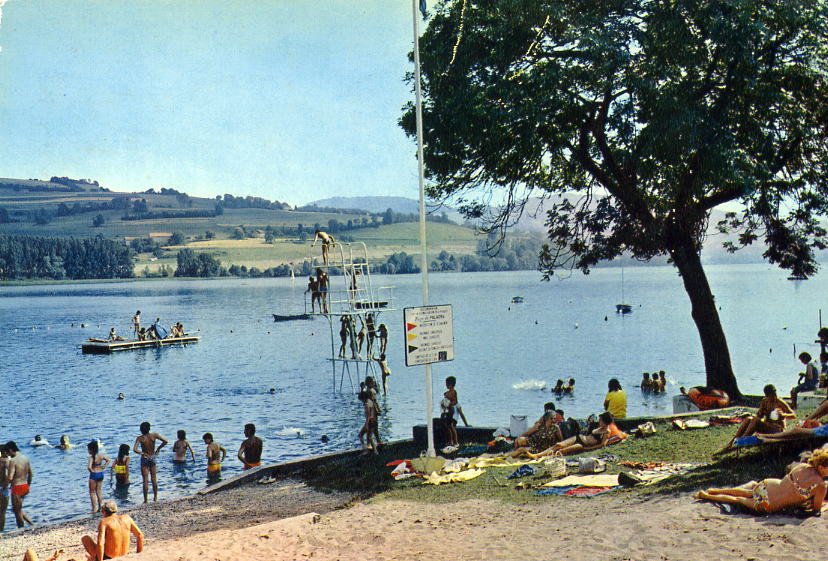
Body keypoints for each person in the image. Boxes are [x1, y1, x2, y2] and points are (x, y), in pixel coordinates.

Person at [695, 450, 828, 514]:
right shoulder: (821, 485)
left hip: (768, 485)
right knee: (737, 500)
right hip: (768, 504)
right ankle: (707, 496)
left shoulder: (802, 466)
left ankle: (715, 491)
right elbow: (816, 509)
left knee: (748, 492)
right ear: (822, 467)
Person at [716, 384, 796, 454]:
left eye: (774, 395)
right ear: (767, 396)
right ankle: (733, 441)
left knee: (755, 420)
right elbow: (759, 415)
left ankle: (741, 441)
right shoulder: (764, 402)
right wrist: (762, 412)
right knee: (749, 419)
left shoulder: (780, 402)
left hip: (777, 429)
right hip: (767, 426)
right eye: (771, 396)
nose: (773, 397)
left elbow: (793, 415)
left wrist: (783, 415)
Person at [530, 411, 620, 458]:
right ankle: (538, 455)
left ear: (605, 422)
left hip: (582, 444)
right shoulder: (599, 427)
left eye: (600, 420)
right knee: (558, 445)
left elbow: (602, 445)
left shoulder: (606, 432)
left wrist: (587, 448)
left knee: (560, 451)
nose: (599, 421)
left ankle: (544, 456)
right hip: (578, 437)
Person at [133, 422, 168, 503]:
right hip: (152, 457)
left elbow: (135, 449)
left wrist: (142, 453)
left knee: (145, 480)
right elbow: (165, 441)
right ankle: (155, 498)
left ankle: (145, 500)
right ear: (149, 428)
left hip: (145, 457)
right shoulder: (154, 435)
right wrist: (158, 448)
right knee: (154, 479)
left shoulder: (140, 438)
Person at [6, 441, 34, 528]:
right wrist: (28, 486)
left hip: (16, 487)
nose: (7, 454)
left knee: (17, 511)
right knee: (17, 509)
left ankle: (21, 529)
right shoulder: (25, 458)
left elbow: (10, 477)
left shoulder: (13, 461)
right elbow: (31, 474)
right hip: (25, 486)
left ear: (11, 450)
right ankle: (32, 524)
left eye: (7, 452)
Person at [87, 440, 110, 513]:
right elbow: (108, 460)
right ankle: (100, 508)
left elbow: (89, 467)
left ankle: (94, 509)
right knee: (99, 491)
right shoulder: (101, 455)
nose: (87, 451)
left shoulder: (91, 458)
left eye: (88, 449)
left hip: (94, 474)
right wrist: (104, 466)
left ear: (91, 450)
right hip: (100, 473)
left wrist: (92, 472)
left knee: (92, 492)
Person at [441, 376, 459, 451]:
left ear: (449, 384)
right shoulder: (448, 392)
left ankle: (454, 442)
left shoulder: (453, 392)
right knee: (447, 425)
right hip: (446, 410)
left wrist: (449, 404)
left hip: (450, 410)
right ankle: (451, 441)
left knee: (450, 426)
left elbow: (455, 401)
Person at [0, 444, 9, 531]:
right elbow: (6, 475)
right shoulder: (5, 461)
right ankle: (1, 531)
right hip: (3, 488)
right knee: (2, 512)